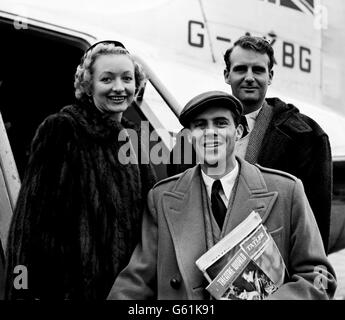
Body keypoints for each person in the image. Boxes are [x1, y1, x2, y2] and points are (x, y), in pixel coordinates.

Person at [107, 91, 336, 300]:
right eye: (200, 125)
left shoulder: (287, 190)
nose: (210, 133)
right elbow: (136, 281)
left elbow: (320, 278)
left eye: (220, 123)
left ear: (238, 131)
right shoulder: (162, 197)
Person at [5, 41, 156, 300]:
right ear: (88, 85)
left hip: (127, 293)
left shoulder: (134, 139)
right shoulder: (62, 129)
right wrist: (21, 291)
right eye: (107, 79)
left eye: (127, 78)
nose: (119, 88)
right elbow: (26, 227)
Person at [168, 36, 332, 253]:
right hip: (200, 266)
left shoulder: (306, 136)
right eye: (240, 69)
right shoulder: (189, 138)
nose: (249, 77)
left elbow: (315, 225)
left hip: (273, 270)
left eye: (258, 70)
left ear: (270, 76)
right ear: (227, 75)